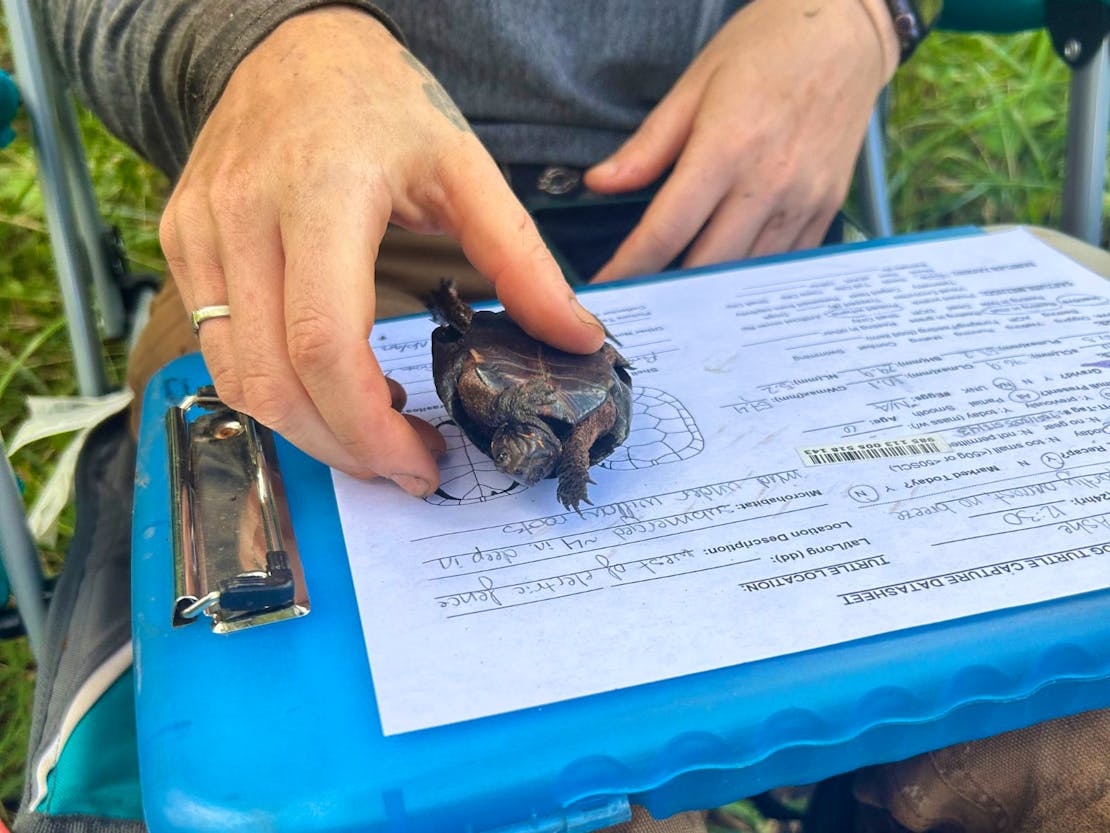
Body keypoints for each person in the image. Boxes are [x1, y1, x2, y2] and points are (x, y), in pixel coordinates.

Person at [27, 2, 1109, 832]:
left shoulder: (563, 425)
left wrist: (872, 13)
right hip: (341, 226)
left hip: (735, 217)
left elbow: (574, 428)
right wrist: (260, 46)